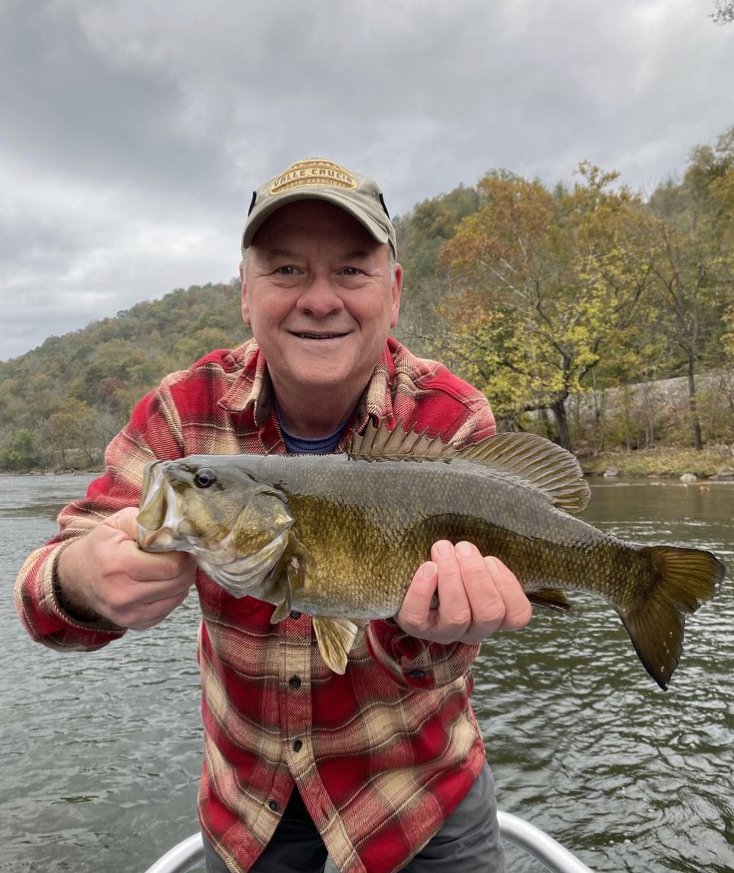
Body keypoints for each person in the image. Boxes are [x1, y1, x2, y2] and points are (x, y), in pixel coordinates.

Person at [15, 157, 532, 873]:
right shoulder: (182, 413)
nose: (319, 299)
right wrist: (82, 580)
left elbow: (434, 665)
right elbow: (42, 594)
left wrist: (435, 632)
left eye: (351, 271)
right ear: (245, 291)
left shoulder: (449, 417)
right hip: (248, 808)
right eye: (286, 270)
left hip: (418, 799)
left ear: (395, 291)